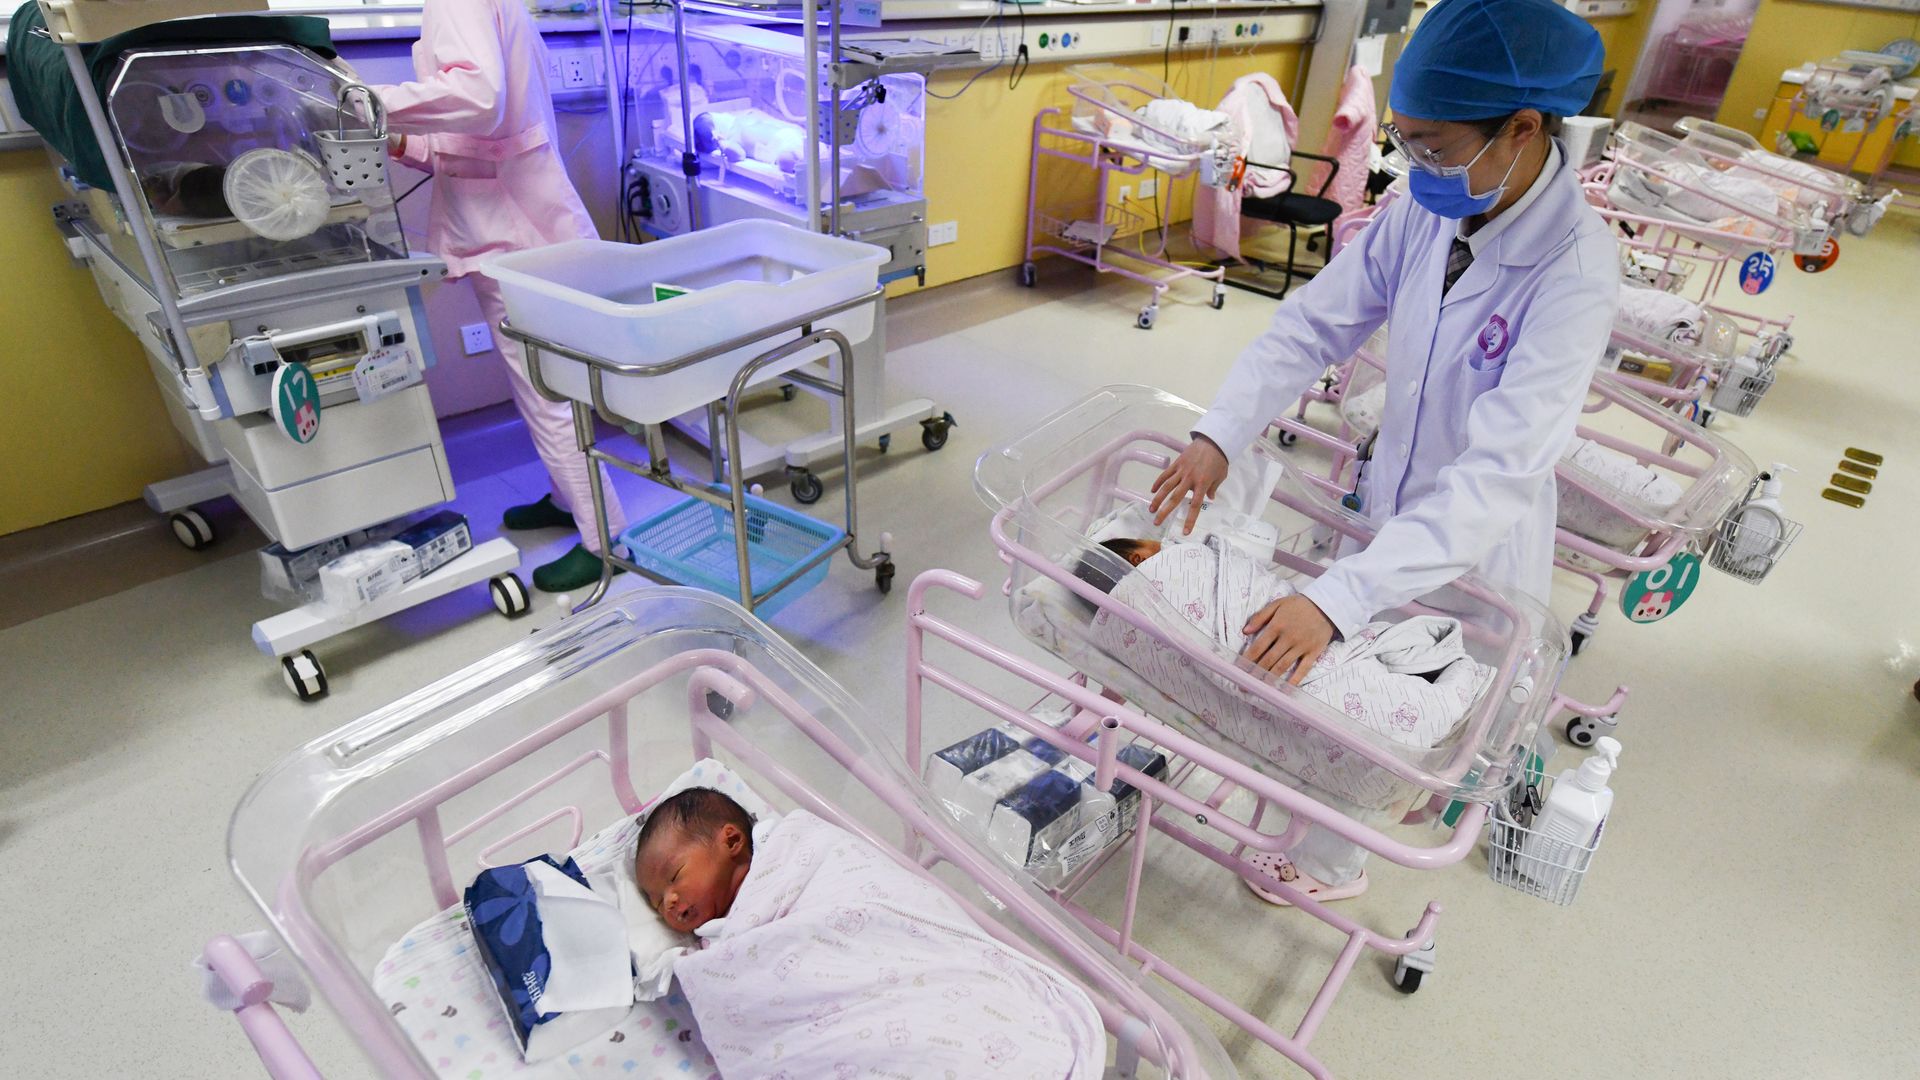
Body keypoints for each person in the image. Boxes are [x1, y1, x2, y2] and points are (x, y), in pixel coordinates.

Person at [1149, 0, 1616, 903]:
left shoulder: (1575, 272)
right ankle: (1311, 820)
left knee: (1395, 720)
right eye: (1407, 144)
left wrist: (1340, 596)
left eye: (1435, 146)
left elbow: (1496, 475)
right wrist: (1221, 431)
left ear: (1522, 130)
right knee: (1326, 685)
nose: (1418, 167)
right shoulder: (1423, 206)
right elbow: (1314, 325)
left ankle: (1331, 866)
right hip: (1386, 497)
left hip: (1475, 545)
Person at [372, 0, 628, 593]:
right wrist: (401, 138)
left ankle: (606, 541)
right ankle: (571, 501)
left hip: (512, 232)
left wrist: (369, 104)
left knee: (547, 395)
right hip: (511, 219)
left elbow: (479, 99)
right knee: (541, 386)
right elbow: (485, 126)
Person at [634, 787, 756, 934]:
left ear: (731, 840)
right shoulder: (710, 941)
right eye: (658, 903)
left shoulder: (776, 848)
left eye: (675, 876)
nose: (667, 903)